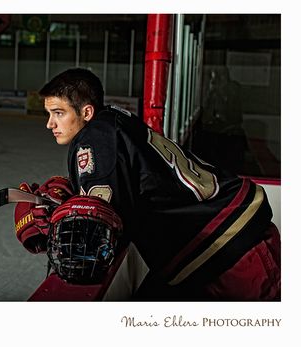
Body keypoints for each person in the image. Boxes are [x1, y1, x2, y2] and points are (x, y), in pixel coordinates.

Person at [14, 68, 280, 301]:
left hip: (235, 255)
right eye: (49, 114)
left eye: (58, 113)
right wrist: (72, 198)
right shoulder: (116, 120)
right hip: (236, 239)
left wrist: (50, 224)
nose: (50, 124)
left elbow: (94, 233)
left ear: (86, 111)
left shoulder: (94, 137)